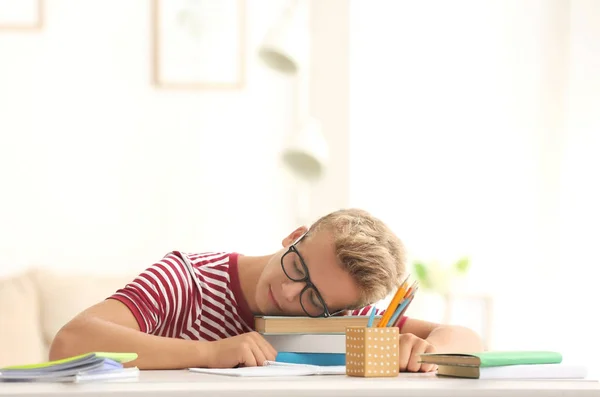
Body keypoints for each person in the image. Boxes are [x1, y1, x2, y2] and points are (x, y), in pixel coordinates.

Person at [49, 208, 484, 372]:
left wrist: (425, 350)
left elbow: (466, 338)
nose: (294, 296)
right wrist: (210, 353)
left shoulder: (335, 317)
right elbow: (71, 341)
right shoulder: (188, 280)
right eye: (298, 267)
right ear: (293, 236)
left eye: (314, 300)